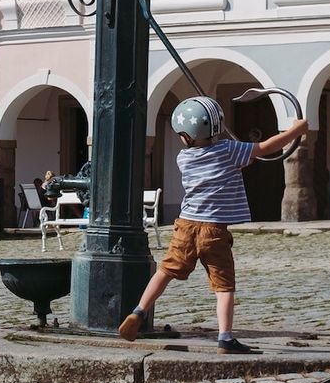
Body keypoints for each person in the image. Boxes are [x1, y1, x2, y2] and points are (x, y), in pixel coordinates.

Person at [118, 97, 306, 354]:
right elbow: (265, 147)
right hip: (214, 230)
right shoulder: (229, 150)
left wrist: (242, 157)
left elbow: (223, 163)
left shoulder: (184, 157)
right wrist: (296, 130)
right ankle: (225, 338)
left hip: (185, 226)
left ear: (187, 136)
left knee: (165, 271)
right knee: (223, 285)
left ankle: (139, 312)